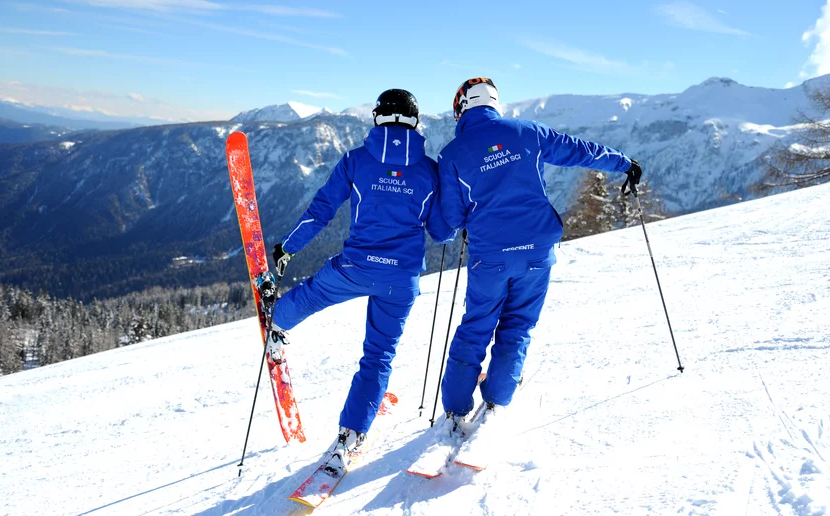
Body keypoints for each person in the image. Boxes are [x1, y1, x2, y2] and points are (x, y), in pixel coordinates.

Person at [437, 77, 643, 431]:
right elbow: (579, 150)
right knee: (517, 326)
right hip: (537, 250)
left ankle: (456, 408)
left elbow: (449, 223)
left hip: (491, 256)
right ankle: (497, 400)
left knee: (476, 327)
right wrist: (625, 163)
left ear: (461, 108)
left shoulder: (452, 155)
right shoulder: (528, 131)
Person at [268, 89, 455, 470]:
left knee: (311, 295)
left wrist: (288, 247)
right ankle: (351, 435)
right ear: (415, 122)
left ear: (378, 118)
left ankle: (277, 322)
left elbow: (320, 211)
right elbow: (441, 232)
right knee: (378, 357)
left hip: (354, 269)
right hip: (400, 281)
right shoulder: (430, 170)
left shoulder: (356, 161)